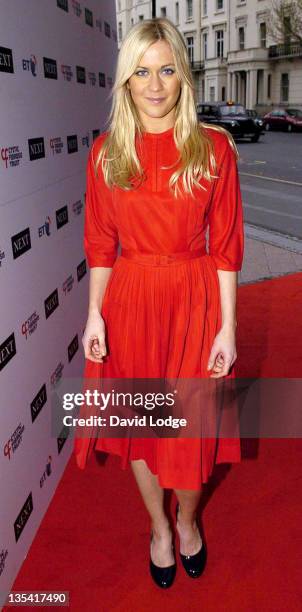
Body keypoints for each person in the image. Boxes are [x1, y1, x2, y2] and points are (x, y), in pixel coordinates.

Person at [74, 17, 244, 589]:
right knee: (144, 431)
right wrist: (94, 313)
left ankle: (189, 521)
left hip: (195, 303)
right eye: (142, 71)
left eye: (166, 69)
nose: (154, 84)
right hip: (131, 304)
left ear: (183, 77)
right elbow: (100, 244)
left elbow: (225, 247)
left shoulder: (214, 149)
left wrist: (228, 328)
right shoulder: (106, 154)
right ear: (126, 81)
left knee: (191, 437)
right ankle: (160, 530)